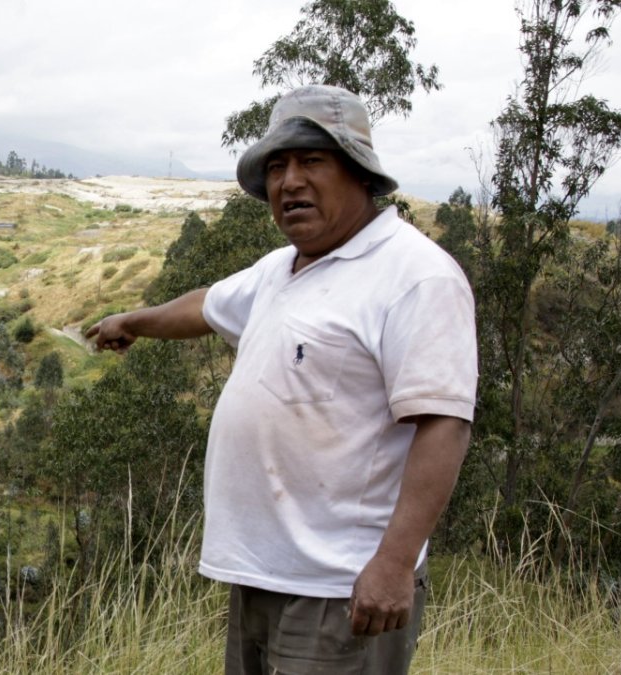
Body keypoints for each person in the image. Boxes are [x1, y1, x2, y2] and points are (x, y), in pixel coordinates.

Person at [85, 85, 477, 674]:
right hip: (262, 575)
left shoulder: (416, 276)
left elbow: (444, 423)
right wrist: (133, 321)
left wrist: (394, 564)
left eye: (311, 161)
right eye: (276, 167)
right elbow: (207, 305)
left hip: (341, 586)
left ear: (360, 173)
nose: (289, 182)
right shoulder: (281, 268)